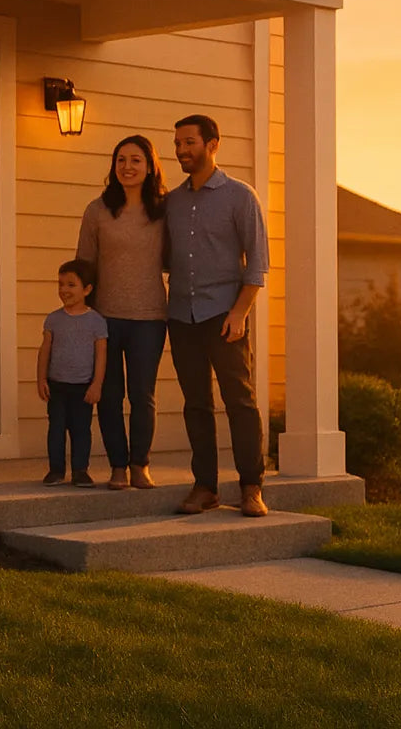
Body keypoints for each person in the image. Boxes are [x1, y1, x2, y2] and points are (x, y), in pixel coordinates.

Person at [166, 114, 270, 517]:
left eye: (189, 142)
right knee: (196, 404)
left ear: (212, 144)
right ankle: (205, 487)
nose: (181, 150)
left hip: (225, 316)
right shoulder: (172, 202)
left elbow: (257, 265)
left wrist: (240, 312)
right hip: (182, 315)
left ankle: (251, 487)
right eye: (177, 143)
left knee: (240, 401)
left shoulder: (241, 196)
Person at [76, 135, 169, 491]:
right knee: (110, 396)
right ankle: (118, 466)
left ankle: (139, 464)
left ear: (150, 166)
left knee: (142, 395)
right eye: (121, 160)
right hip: (105, 318)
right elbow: (85, 264)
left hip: (150, 318)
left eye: (136, 160)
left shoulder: (164, 211)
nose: (127, 167)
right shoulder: (97, 210)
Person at [36, 258, 108, 488]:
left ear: (87, 289)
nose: (64, 290)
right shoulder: (53, 319)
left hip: (82, 387)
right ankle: (56, 470)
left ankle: (80, 471)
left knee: (81, 430)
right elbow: (45, 351)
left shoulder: (96, 321)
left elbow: (101, 355)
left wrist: (96, 384)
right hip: (57, 385)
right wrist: (41, 379)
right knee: (56, 428)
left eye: (70, 284)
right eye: (60, 284)